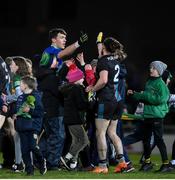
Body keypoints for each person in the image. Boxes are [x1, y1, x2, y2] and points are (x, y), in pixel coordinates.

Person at [37, 28, 88, 170]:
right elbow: (61, 54)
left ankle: (41, 161)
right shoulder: (50, 51)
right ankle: (52, 164)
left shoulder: (58, 60)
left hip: (52, 98)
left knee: (50, 134)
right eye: (61, 37)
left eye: (65, 37)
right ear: (53, 39)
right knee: (58, 135)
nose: (64, 40)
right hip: (50, 99)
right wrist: (78, 44)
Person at [86, 36, 127, 174]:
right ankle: (122, 163)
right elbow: (103, 56)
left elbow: (103, 81)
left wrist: (92, 88)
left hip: (106, 100)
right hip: (117, 100)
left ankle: (103, 165)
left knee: (101, 133)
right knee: (112, 132)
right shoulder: (115, 59)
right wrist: (99, 44)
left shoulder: (103, 61)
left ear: (105, 48)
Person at [127, 60, 172, 172]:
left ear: (159, 71)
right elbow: (146, 97)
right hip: (147, 115)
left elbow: (160, 99)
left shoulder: (161, 84)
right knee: (146, 140)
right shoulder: (149, 82)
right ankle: (147, 163)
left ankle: (166, 164)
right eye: (151, 67)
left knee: (159, 140)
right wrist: (135, 94)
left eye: (153, 68)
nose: (151, 69)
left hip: (156, 116)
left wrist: (144, 95)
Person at [14, 76, 47, 175]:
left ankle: (42, 162)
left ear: (26, 85)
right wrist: (16, 115)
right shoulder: (20, 97)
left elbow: (41, 113)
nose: (20, 86)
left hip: (33, 127)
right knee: (24, 150)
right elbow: (19, 110)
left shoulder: (36, 96)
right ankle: (29, 170)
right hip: (22, 127)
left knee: (33, 147)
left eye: (21, 84)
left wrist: (30, 110)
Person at [60, 64, 89, 170]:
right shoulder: (76, 89)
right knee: (84, 141)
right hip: (75, 119)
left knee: (76, 141)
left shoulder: (69, 89)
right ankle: (66, 159)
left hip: (69, 118)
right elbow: (81, 105)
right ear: (76, 79)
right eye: (81, 77)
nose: (83, 78)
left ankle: (73, 163)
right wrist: (89, 102)